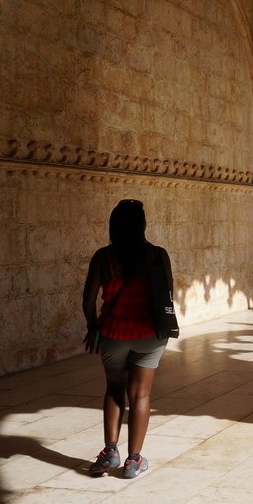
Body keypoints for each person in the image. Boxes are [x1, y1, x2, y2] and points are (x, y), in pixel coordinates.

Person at [82, 199, 175, 479]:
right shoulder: (158, 255)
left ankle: (110, 451)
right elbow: (168, 295)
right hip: (149, 333)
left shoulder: (103, 257)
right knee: (141, 395)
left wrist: (93, 326)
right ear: (142, 225)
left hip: (113, 333)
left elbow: (87, 300)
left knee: (113, 390)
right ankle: (133, 461)